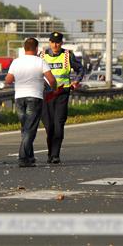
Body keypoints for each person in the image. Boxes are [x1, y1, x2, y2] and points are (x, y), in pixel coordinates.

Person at [5, 38, 56, 167]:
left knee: (25, 128)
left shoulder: (16, 62)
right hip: (35, 97)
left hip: (19, 97)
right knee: (30, 129)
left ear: (24, 48)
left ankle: (30, 156)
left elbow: (8, 80)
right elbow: (51, 79)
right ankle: (23, 157)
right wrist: (53, 88)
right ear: (37, 48)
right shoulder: (40, 61)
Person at [41, 31, 84, 164]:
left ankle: (55, 155)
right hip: (46, 95)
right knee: (49, 126)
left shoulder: (67, 55)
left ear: (61, 43)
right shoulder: (42, 56)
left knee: (58, 124)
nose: (55, 45)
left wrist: (76, 81)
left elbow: (80, 69)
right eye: (53, 42)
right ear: (49, 42)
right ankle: (50, 153)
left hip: (62, 93)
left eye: (58, 42)